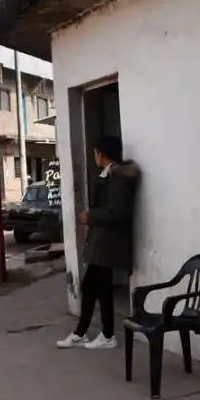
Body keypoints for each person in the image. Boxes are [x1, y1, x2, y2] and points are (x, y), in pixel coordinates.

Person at [57, 136, 140, 350]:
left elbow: (118, 213)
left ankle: (94, 334)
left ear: (101, 154)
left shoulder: (117, 177)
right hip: (102, 240)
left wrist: (90, 217)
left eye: (95, 153)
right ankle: (95, 333)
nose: (95, 156)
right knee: (99, 288)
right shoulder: (110, 174)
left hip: (108, 243)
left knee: (92, 287)